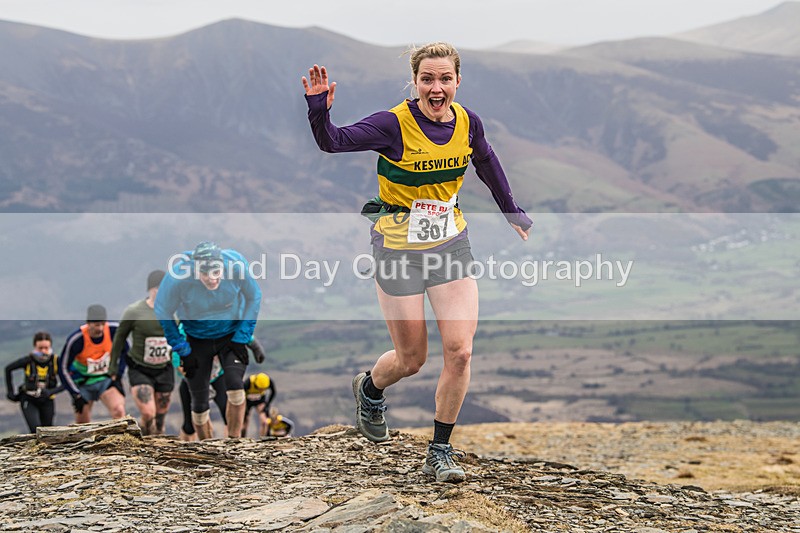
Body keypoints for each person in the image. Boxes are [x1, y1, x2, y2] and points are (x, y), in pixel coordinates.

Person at [302, 42, 532, 483]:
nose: (437, 87)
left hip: (449, 241)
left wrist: (510, 208)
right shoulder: (392, 125)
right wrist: (318, 111)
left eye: (445, 78)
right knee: (411, 359)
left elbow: (484, 159)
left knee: (460, 352)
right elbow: (332, 142)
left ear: (457, 82)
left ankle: (440, 451)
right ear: (415, 82)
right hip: (397, 247)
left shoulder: (468, 121)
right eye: (427, 78)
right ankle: (370, 388)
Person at [155, 241, 262, 440]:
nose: (212, 279)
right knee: (199, 404)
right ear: (196, 270)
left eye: (216, 272)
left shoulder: (236, 266)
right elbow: (163, 310)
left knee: (235, 386)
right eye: (205, 274)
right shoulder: (178, 277)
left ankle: (234, 441)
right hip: (197, 339)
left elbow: (254, 296)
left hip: (230, 336)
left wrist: (242, 338)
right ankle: (207, 446)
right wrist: (181, 349)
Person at [108, 270, 174, 436]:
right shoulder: (134, 311)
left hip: (164, 368)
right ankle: (142, 437)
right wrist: (113, 367)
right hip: (140, 368)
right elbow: (119, 339)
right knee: (148, 413)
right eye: (157, 287)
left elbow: (179, 337)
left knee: (160, 417)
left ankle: (158, 445)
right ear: (150, 289)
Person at [59, 304, 128, 423]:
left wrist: (118, 374)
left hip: (105, 379)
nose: (100, 328)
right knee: (82, 424)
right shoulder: (76, 340)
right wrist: (75, 394)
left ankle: (122, 439)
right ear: (88, 323)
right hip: (83, 382)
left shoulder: (114, 330)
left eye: (102, 324)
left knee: (119, 411)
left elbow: (127, 351)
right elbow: (62, 367)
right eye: (96, 325)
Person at [5, 332, 64, 432]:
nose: (43, 351)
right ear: (35, 347)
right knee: (35, 429)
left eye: (46, 348)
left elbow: (66, 382)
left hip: (47, 400)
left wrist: (51, 392)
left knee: (48, 431)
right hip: (29, 398)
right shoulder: (28, 360)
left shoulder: (56, 361)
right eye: (40, 348)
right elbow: (8, 369)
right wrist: (10, 392)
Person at [241, 369, 275, 438]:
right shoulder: (248, 382)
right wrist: (245, 408)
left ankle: (264, 437)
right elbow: (241, 394)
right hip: (248, 401)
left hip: (260, 400)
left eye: (263, 389)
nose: (261, 390)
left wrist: (267, 404)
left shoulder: (268, 381)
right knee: (245, 421)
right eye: (259, 388)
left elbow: (273, 392)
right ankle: (242, 437)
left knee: (264, 420)